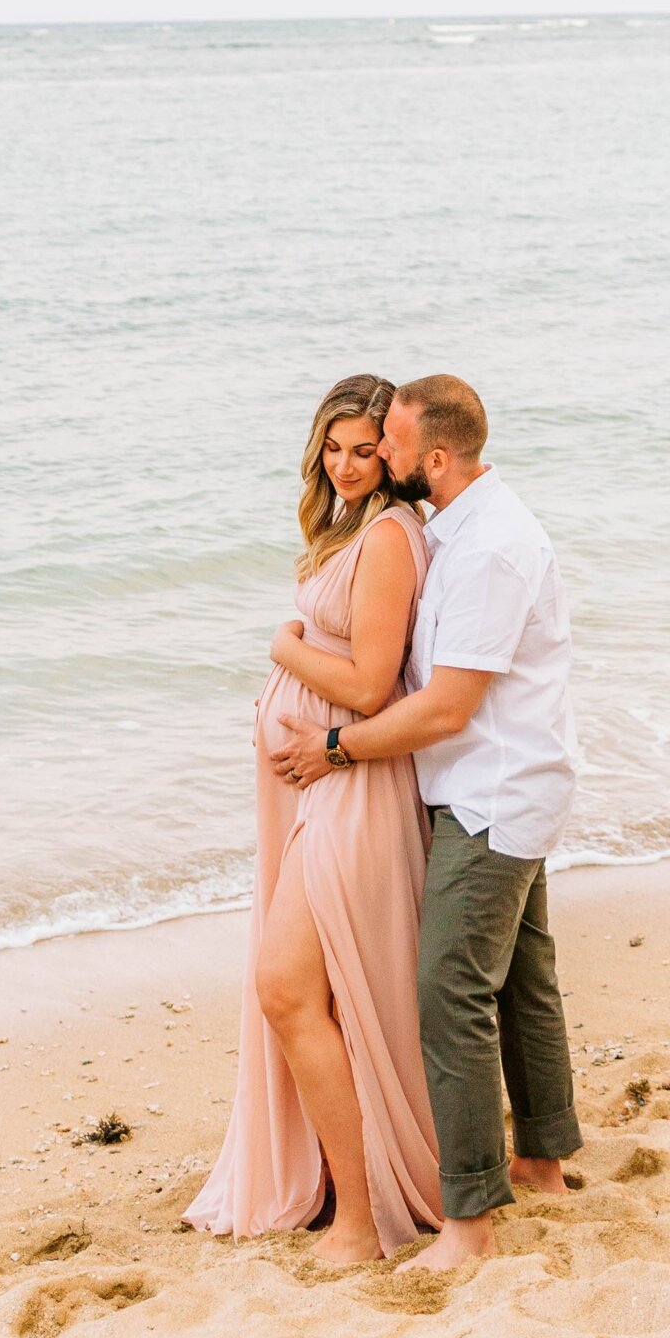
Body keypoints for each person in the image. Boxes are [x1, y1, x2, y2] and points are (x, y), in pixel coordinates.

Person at [274, 372, 582, 1270]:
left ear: (432, 456)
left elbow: (444, 708)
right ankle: (543, 1161)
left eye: (392, 445)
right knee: (523, 975)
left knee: (450, 989)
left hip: (493, 792)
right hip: (504, 780)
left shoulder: (484, 551)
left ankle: (470, 1221)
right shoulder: (465, 528)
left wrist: (337, 746)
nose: (381, 460)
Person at [184, 377, 441, 1262]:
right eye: (332, 447)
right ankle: (343, 1188)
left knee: (288, 986)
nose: (345, 463)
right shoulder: (350, 529)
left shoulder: (388, 538)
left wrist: (285, 647)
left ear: (394, 455)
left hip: (357, 787)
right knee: (319, 992)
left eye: (364, 450)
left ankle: (367, 1222)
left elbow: (373, 684)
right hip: (323, 781)